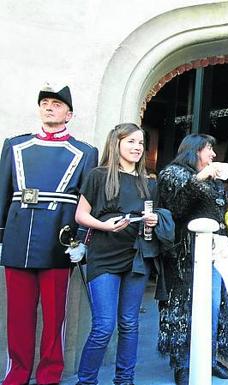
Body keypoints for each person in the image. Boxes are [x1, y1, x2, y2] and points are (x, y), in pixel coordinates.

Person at [0, 83, 98, 385]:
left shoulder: (84, 152)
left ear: (69, 114)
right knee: (17, 317)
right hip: (18, 239)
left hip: (58, 242)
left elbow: (86, 200)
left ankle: (49, 375)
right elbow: (3, 193)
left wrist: (81, 242)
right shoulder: (14, 146)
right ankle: (17, 373)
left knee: (55, 317)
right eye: (45, 102)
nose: (49, 107)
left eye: (56, 103)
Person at [74, 123, 159, 385]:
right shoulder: (98, 176)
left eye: (141, 143)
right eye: (131, 141)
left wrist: (154, 221)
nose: (137, 147)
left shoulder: (150, 182)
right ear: (117, 143)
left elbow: (153, 218)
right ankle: (86, 381)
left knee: (129, 324)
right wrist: (104, 225)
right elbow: (80, 215)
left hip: (136, 257)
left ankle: (125, 380)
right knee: (103, 326)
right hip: (104, 255)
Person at [157, 134, 228, 385]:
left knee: (214, 306)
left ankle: (209, 359)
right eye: (209, 149)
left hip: (214, 251)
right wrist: (202, 177)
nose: (213, 154)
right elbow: (177, 207)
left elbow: (218, 210)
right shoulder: (172, 173)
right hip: (185, 255)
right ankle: (183, 364)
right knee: (184, 307)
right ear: (194, 150)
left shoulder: (211, 178)